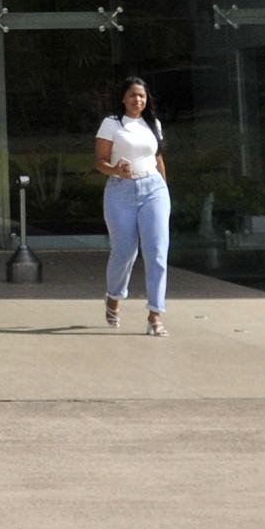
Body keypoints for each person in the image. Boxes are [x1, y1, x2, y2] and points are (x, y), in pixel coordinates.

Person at [96, 77, 171, 337]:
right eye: (132, 95)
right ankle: (114, 297)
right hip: (121, 192)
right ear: (123, 98)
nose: (137, 100)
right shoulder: (112, 124)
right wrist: (115, 170)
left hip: (154, 190)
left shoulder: (153, 124)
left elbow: (158, 159)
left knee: (157, 252)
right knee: (125, 251)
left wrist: (164, 189)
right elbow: (100, 161)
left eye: (141, 95)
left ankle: (155, 315)